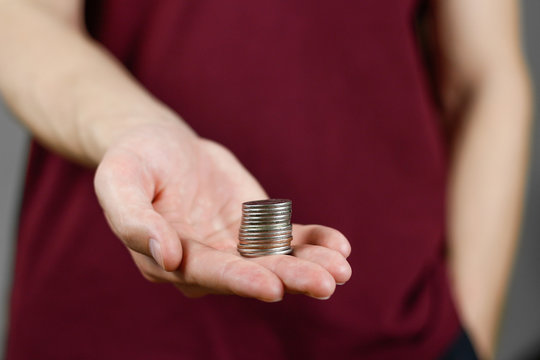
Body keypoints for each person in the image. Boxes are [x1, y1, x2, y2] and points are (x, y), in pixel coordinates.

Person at [0, 0, 531, 359]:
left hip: (392, 328)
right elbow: (24, 18)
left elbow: (486, 78)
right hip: (101, 324)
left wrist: (470, 326)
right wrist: (140, 130)